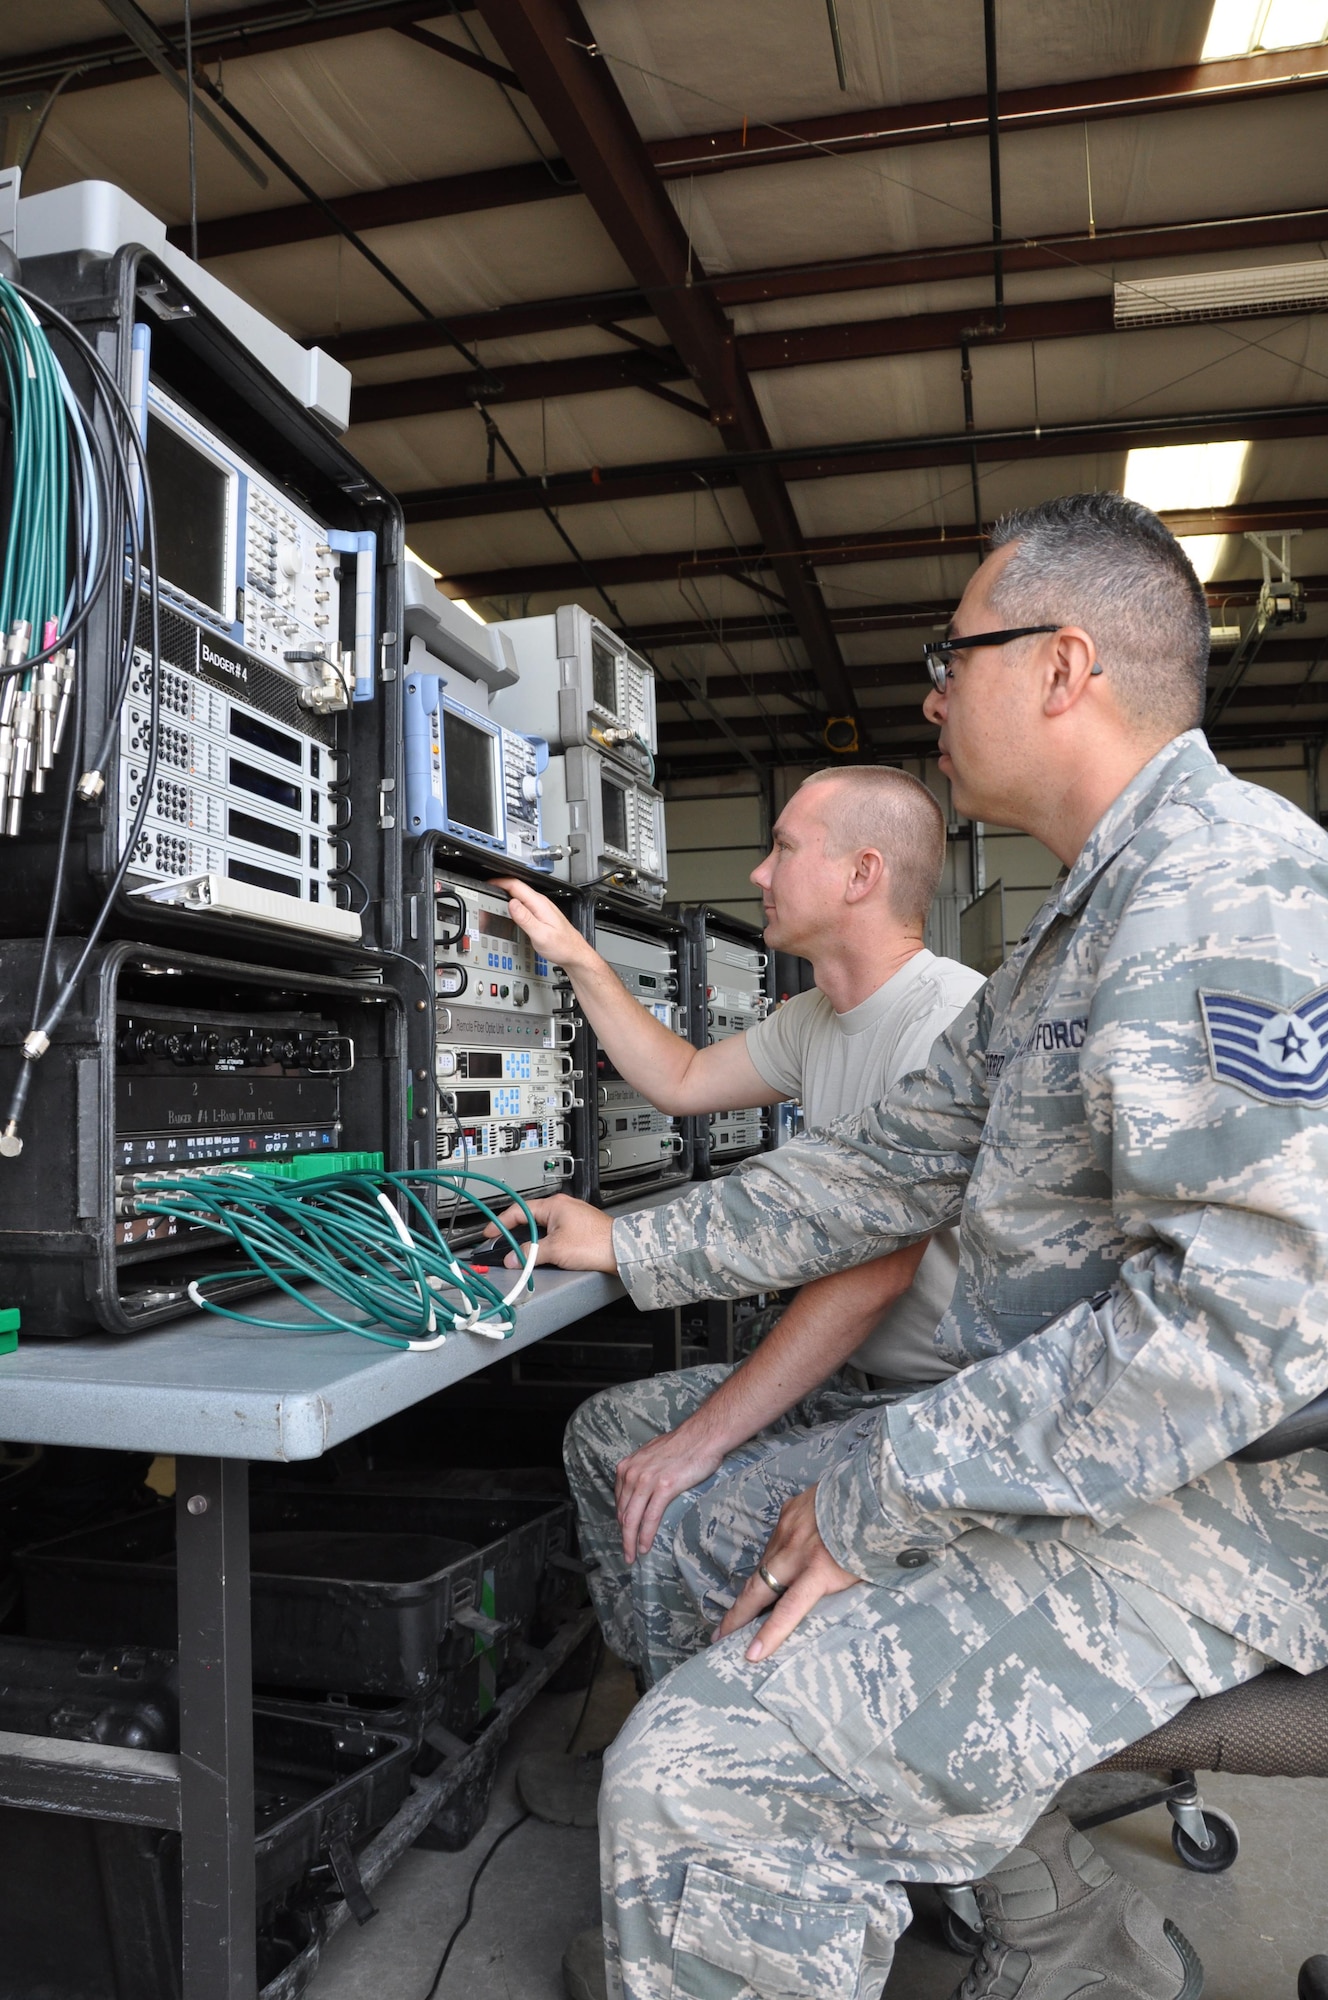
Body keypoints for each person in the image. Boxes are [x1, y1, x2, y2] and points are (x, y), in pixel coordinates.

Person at [491, 492, 1328, 2000]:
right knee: (699, 1546)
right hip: (1092, 1455)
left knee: (710, 1765)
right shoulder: (1078, 929)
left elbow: (1243, 1330)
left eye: (957, 653)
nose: (932, 692)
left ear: (1066, 667)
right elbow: (875, 1176)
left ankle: (789, 1896)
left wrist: (885, 1480)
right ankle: (1029, 1929)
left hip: (1242, 1499)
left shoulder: (1223, 891)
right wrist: (621, 1244)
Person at [494, 770, 983, 1695]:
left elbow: (874, 1273)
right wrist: (581, 960)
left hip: (934, 1409)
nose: (758, 872)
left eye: (785, 849)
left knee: (696, 1502)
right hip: (845, 1383)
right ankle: (666, 1703)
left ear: (861, 874)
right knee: (608, 1433)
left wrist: (704, 1438)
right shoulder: (815, 1019)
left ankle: (723, 1750)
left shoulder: (948, 1024)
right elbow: (679, 1079)